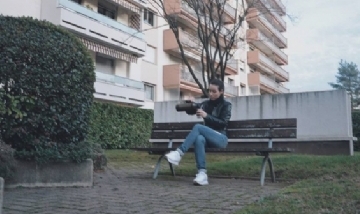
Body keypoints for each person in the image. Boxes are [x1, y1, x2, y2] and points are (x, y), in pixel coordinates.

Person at [165, 79, 232, 186]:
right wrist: (190, 103)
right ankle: (202, 174)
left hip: (221, 138)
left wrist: (207, 116)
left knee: (198, 127)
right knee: (199, 138)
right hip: (208, 140)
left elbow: (223, 123)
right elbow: (194, 109)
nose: (211, 93)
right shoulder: (206, 104)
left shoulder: (226, 105)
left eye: (214, 91)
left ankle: (179, 152)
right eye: (209, 91)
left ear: (221, 91)